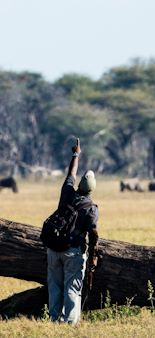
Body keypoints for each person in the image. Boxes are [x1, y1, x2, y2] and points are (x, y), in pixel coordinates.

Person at [47, 138, 99, 325]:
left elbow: (71, 173)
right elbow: (93, 234)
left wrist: (76, 154)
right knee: (72, 286)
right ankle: (70, 323)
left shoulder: (67, 192)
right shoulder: (91, 208)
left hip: (53, 248)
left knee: (54, 286)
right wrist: (93, 255)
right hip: (73, 251)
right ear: (92, 190)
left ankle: (54, 320)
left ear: (79, 186)